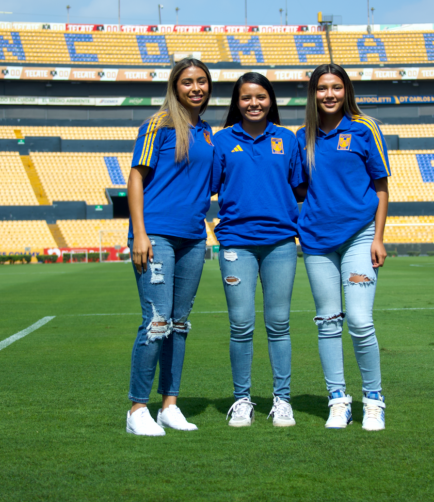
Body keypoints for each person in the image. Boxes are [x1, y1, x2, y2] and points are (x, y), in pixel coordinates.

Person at [296, 64, 390, 431]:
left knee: (361, 321)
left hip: (360, 236)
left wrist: (379, 237)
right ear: (313, 93)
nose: (329, 94)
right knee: (327, 322)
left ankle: (373, 399)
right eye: (322, 88)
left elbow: (381, 187)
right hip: (317, 242)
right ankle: (338, 400)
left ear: (346, 91)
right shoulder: (304, 136)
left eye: (336, 87)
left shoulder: (365, 127)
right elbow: (300, 188)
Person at [125, 58, 214, 436]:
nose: (196, 88)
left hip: (194, 238)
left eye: (202, 82)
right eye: (188, 82)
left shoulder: (209, 133)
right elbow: (135, 177)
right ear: (175, 87)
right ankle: (137, 410)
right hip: (156, 235)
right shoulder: (158, 124)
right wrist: (140, 234)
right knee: (157, 321)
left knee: (178, 324)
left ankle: (169, 406)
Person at [211, 72, 304, 428]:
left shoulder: (288, 139)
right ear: (237, 102)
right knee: (241, 325)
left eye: (261, 97)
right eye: (246, 97)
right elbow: (207, 187)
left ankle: (282, 400)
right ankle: (242, 400)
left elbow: (300, 189)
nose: (254, 103)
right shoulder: (221, 141)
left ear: (271, 100)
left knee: (279, 324)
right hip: (236, 243)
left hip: (281, 243)